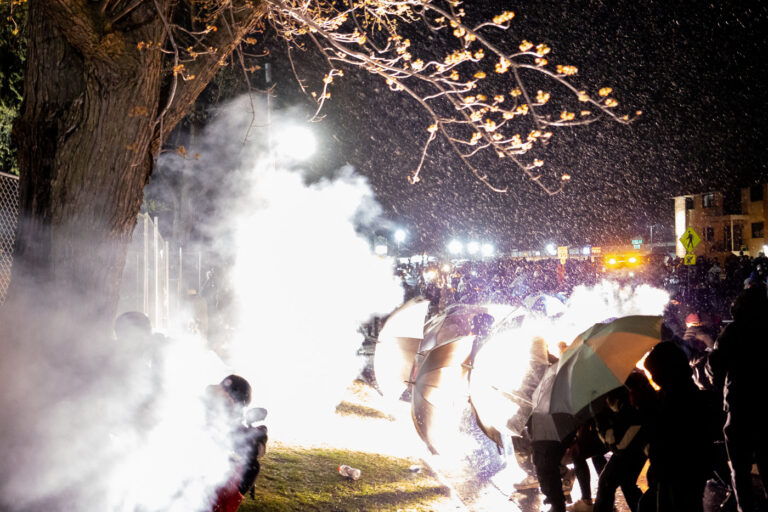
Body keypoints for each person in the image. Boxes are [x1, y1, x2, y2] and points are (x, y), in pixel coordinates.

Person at [707, 285, 768, 512]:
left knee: (739, 468)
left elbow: (716, 367)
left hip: (740, 406)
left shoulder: (733, 332)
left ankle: (745, 507)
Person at [640, 342, 718, 512]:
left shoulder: (680, 399)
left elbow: (665, 437)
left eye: (654, 373)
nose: (653, 378)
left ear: (666, 371)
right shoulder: (675, 394)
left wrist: (648, 410)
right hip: (674, 472)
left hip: (679, 472)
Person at [207, 375, 267, 512]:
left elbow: (252, 448)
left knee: (245, 465)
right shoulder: (217, 407)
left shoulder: (216, 406)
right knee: (250, 468)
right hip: (194, 472)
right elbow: (250, 449)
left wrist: (255, 432)